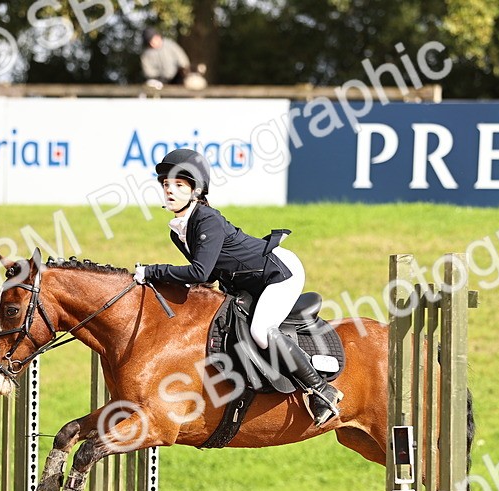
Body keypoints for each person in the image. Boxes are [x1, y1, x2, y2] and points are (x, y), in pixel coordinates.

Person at [133, 148, 343, 427]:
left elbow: (199, 271)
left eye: (179, 185)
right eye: (166, 185)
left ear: (195, 191)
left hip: (279, 273)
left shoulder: (207, 219)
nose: (169, 191)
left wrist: (153, 271)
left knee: (260, 331)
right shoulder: (178, 230)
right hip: (247, 281)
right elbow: (206, 279)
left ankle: (321, 390)